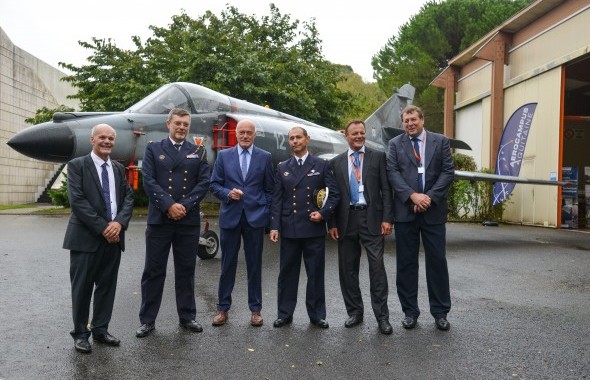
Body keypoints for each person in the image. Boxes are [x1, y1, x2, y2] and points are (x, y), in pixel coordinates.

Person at [136, 108, 210, 337]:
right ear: (169, 123)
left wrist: (184, 206)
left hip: (187, 222)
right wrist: (169, 205)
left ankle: (187, 317)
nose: (181, 128)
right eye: (177, 123)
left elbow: (204, 182)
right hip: (160, 220)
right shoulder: (153, 148)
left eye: (185, 124)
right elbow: (148, 180)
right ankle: (147, 320)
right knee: (153, 271)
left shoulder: (198, 151)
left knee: (186, 270)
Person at [63, 124, 134, 353]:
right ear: (92, 139)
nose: (107, 141)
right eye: (102, 137)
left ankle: (101, 330)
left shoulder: (118, 169)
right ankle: (81, 334)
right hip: (86, 239)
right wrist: (104, 227)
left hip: (113, 239)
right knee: (82, 288)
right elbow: (78, 202)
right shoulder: (77, 166)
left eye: (110, 138)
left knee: (107, 287)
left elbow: (128, 199)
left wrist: (119, 223)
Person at [386, 105, 455, 331]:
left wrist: (429, 198)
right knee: (406, 264)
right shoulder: (395, 144)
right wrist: (413, 196)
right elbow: (393, 174)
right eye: (406, 121)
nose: (409, 124)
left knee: (437, 262)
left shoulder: (441, 141)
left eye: (413, 119)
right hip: (406, 212)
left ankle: (440, 312)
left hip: (433, 212)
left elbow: (447, 172)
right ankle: (410, 312)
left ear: (422, 120)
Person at [328, 119, 394, 335]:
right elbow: (333, 196)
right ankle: (355, 312)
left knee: (377, 269)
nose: (359, 136)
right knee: (348, 270)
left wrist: (387, 218)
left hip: (372, 219)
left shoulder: (377, 157)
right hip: (346, 220)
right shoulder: (336, 162)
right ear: (346, 136)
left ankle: (382, 317)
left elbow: (386, 189)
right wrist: (332, 223)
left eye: (361, 133)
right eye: (354, 133)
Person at [269, 126, 339, 329]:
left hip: (313, 228)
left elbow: (333, 194)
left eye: (298, 137)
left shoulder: (321, 165)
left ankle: (317, 315)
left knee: (315, 274)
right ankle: (284, 313)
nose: (294, 141)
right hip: (289, 229)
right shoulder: (283, 167)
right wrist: (274, 226)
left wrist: (323, 213)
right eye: (291, 138)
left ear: (307, 139)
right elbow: (277, 199)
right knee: (287, 274)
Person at [209, 119, 274, 327]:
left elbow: (270, 190)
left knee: (254, 266)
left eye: (249, 133)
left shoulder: (265, 157)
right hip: (231, 218)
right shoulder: (224, 156)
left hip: (255, 219)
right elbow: (214, 184)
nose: (245, 136)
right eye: (242, 132)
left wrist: (265, 213)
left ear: (255, 135)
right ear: (236, 134)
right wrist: (228, 193)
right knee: (227, 265)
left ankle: (256, 310)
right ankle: (222, 309)